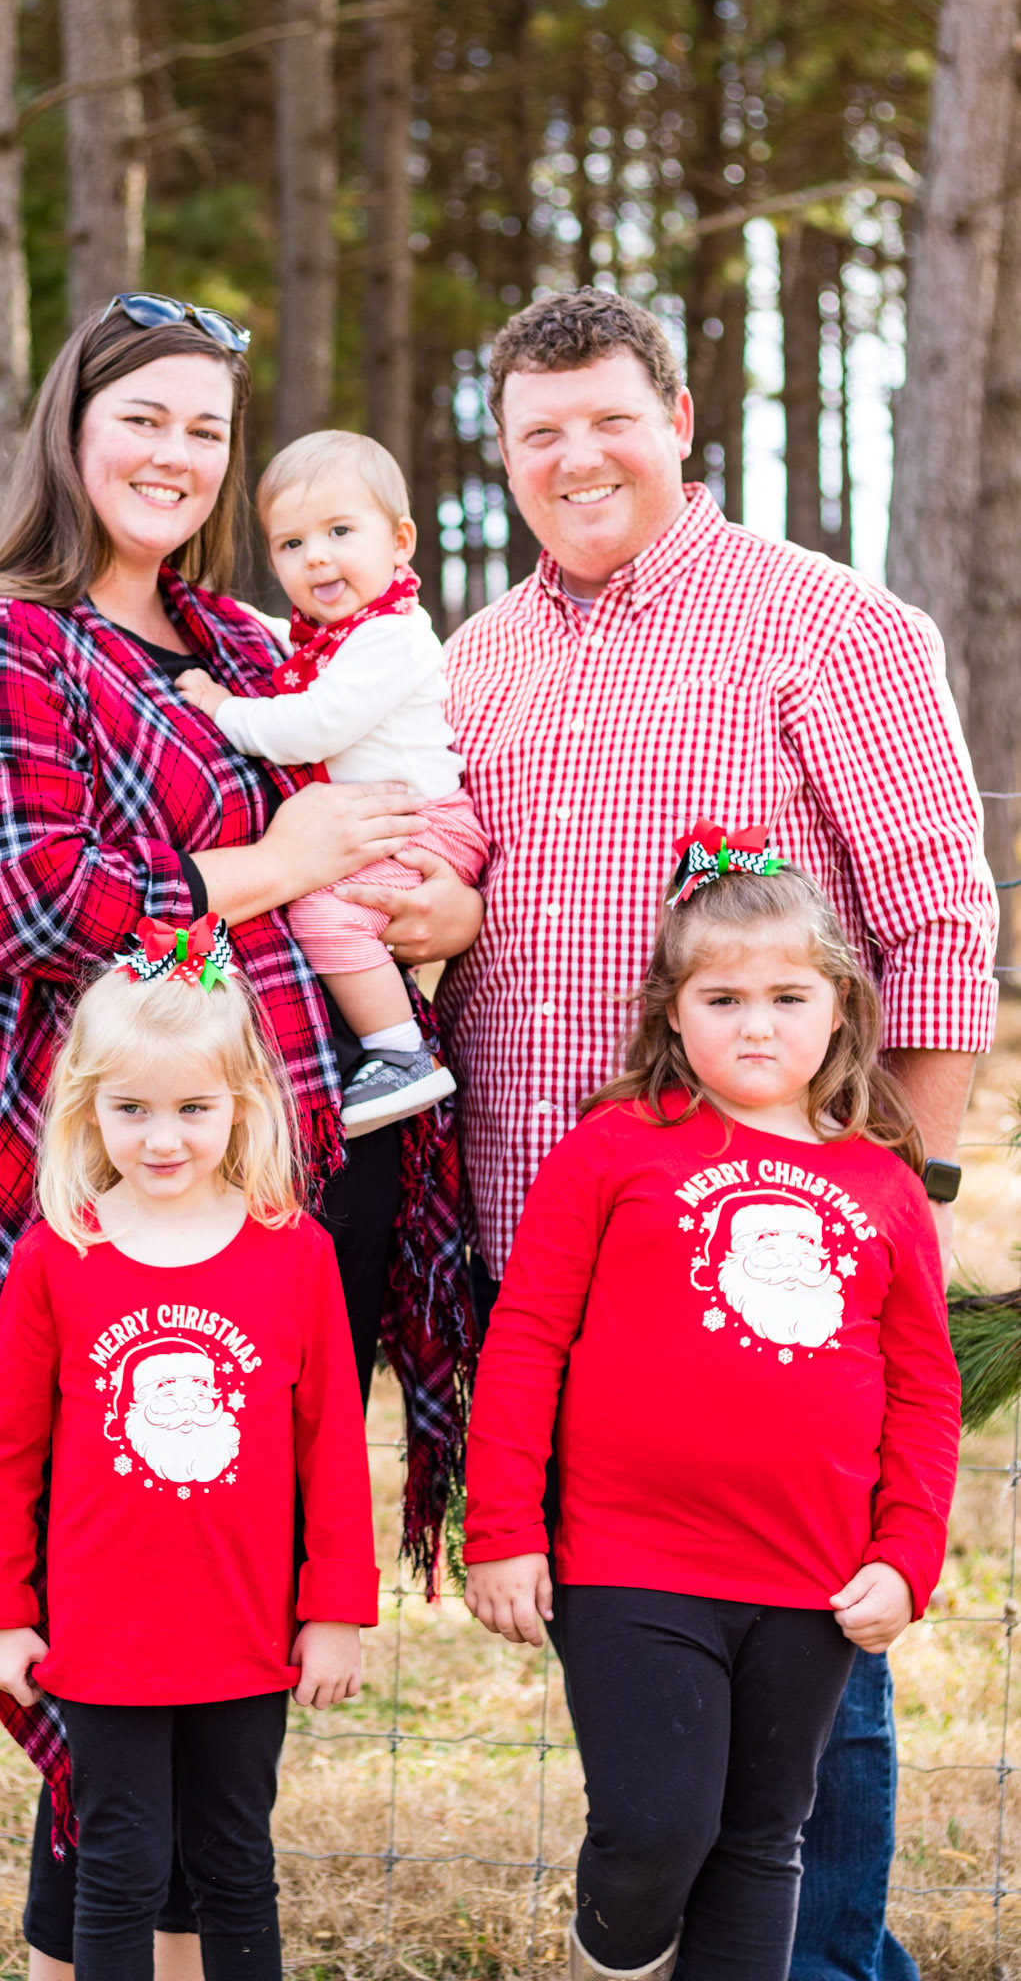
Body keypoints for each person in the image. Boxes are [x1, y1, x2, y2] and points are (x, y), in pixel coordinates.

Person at [351, 286, 996, 1981]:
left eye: (609, 420)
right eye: (538, 432)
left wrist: (903, 1194)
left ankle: (825, 1963)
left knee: (805, 1659)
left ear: (681, 421)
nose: (576, 458)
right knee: (650, 1663)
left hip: (781, 1256)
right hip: (544, 1258)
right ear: (503, 455)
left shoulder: (826, 628)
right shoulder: (475, 662)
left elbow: (936, 922)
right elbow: (452, 898)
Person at [0, 293, 480, 1981]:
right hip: (113, 1191)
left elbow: (381, 806)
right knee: (106, 1599)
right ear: (72, 429)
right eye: (142, 416)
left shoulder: (238, 636)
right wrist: (274, 868)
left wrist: (437, 903)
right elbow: (30, 902)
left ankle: (172, 1935)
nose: (175, 453)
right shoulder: (3, 640)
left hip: (295, 1190)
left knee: (227, 1591)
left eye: (206, 428)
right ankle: (100, 1948)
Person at [462, 837, 960, 1981]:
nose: (756, 1025)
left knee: (760, 1839)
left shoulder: (884, 1182)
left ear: (840, 1006)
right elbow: (526, 1340)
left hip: (811, 1573)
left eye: (788, 996)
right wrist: (503, 1527)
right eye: (722, 998)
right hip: (631, 1558)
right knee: (655, 1830)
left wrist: (907, 1553)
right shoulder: (612, 1149)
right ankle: (613, 1956)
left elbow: (924, 1389)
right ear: (671, 1011)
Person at [0, 923, 378, 1981]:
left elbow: (332, 1445)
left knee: (235, 1863)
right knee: (119, 1863)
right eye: (132, 1109)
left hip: (247, 1627)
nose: (163, 1139)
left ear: (241, 1102)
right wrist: (1, 1610)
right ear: (87, 1108)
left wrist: (335, 1607)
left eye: (194, 1108)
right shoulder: (59, 1255)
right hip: (103, 1632)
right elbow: (6, 1453)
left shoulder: (294, 1253)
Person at [175, 430, 487, 1136]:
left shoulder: (392, 637)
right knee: (326, 909)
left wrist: (224, 708)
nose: (315, 555)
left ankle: (400, 1053)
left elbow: (313, 725)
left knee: (325, 913)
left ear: (399, 541)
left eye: (340, 531)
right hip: (398, 821)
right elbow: (294, 651)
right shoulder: (344, 635)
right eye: (291, 543)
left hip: (423, 824)